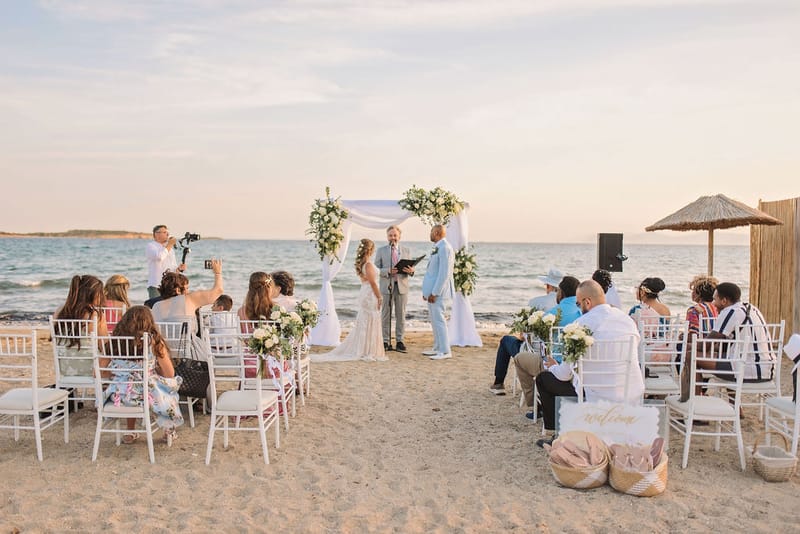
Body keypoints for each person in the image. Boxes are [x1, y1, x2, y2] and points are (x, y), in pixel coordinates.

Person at [535, 280, 644, 444]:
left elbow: (564, 375)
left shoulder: (580, 326)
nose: (579, 307)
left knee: (544, 379)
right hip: (630, 392)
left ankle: (558, 434)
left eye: (579, 303)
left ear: (587, 302)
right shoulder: (627, 321)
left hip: (595, 396)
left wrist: (552, 367)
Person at [103, 306, 184, 446]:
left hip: (119, 396)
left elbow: (100, 371)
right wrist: (153, 371)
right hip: (147, 396)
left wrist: (122, 373)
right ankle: (168, 430)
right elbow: (169, 373)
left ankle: (130, 431)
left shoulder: (114, 341)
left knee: (132, 386)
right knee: (169, 389)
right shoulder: (153, 342)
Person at [512, 276, 582, 416]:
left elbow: (538, 342)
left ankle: (536, 405)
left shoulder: (552, 313)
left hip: (553, 364)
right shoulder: (583, 312)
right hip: (579, 366)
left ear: (560, 292)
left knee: (519, 359)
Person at [488, 269, 565, 395]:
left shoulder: (536, 302)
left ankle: (498, 384)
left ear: (549, 286)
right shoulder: (568, 308)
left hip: (535, 353)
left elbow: (525, 333)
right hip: (559, 355)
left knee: (506, 340)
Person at [313, 239, 387, 362]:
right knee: (371, 318)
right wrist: (380, 296)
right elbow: (373, 283)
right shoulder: (368, 264)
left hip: (365, 291)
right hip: (370, 293)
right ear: (370, 250)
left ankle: (367, 348)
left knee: (367, 319)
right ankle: (367, 350)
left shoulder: (363, 264)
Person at [698, 282, 774, 382]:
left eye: (715, 299)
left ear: (724, 301)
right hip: (767, 370)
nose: (713, 303)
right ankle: (731, 398)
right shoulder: (752, 309)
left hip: (746, 370)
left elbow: (705, 347)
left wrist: (687, 345)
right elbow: (723, 346)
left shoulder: (731, 311)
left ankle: (696, 395)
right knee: (728, 357)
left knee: (691, 355)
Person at [53, 275, 110, 377]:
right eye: (100, 293)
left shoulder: (60, 311)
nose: (102, 296)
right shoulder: (96, 314)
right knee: (115, 364)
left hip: (65, 367)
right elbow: (104, 346)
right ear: (91, 294)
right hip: (90, 369)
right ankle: (106, 392)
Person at [152, 260, 223, 340]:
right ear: (178, 290)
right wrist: (218, 272)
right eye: (186, 288)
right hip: (188, 351)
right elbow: (218, 291)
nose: (188, 292)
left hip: (165, 351)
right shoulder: (188, 299)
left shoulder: (156, 306)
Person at [375, 225, 415, 353]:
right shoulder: (381, 251)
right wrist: (387, 271)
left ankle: (400, 341)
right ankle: (385, 341)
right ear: (387, 237)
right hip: (387, 286)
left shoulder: (406, 250)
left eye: (395, 235)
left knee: (401, 315)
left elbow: (411, 269)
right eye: (390, 235)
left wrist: (412, 271)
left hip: (402, 287)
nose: (393, 238)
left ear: (399, 236)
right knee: (385, 315)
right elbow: (375, 269)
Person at [421, 224, 455, 361]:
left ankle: (445, 350)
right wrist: (427, 291)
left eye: (431, 231)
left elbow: (444, 274)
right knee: (434, 320)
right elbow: (432, 272)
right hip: (432, 291)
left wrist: (435, 292)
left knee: (439, 320)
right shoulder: (438, 247)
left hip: (439, 293)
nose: (429, 234)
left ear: (436, 232)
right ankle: (437, 347)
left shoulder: (445, 248)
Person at [146, 225, 186, 299]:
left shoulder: (169, 248)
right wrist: (170, 244)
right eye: (164, 232)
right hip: (156, 285)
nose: (167, 234)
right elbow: (159, 257)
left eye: (167, 232)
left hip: (170, 286)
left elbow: (172, 267)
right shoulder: (151, 246)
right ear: (156, 234)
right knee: (156, 308)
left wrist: (179, 269)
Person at [685, 275, 719, 345]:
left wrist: (682, 336)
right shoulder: (719, 308)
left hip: (701, 346)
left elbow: (693, 335)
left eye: (693, 290)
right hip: (717, 346)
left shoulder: (693, 310)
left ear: (698, 293)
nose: (692, 293)